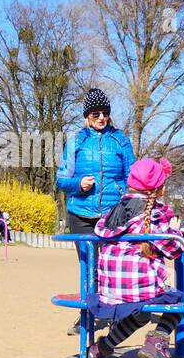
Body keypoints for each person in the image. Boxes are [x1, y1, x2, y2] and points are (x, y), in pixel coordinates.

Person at [85, 157, 184, 358]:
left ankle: (101, 347)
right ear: (160, 188)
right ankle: (156, 342)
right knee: (181, 301)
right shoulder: (155, 213)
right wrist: (175, 230)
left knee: (140, 314)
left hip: (109, 290)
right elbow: (175, 250)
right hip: (138, 288)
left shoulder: (114, 210)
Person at [57, 88, 136, 334]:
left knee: (112, 265)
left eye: (105, 113)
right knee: (88, 266)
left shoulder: (120, 140)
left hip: (113, 213)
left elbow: (132, 175)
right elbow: (60, 180)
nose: (101, 117)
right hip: (81, 213)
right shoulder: (76, 141)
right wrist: (78, 185)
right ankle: (87, 317)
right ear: (87, 116)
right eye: (95, 113)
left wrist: (122, 189)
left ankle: (114, 315)